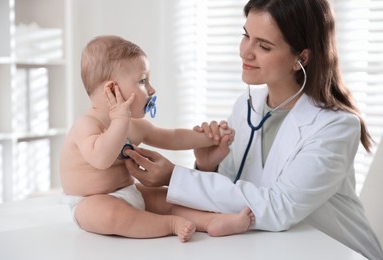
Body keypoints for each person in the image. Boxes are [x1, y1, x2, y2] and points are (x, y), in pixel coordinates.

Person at [124, 0, 383, 259]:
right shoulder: (246, 107)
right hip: (272, 248)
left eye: (264, 45)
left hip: (336, 250)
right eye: (246, 35)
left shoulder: (336, 128)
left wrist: (173, 177)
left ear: (300, 59)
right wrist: (208, 166)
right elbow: (232, 198)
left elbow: (278, 208)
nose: (245, 52)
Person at [59, 35, 255, 243]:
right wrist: (119, 120)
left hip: (128, 191)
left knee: (168, 197)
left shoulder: (133, 125)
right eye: (143, 81)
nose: (151, 89)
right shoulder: (86, 125)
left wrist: (209, 138)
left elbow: (173, 138)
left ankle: (211, 222)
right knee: (111, 215)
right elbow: (101, 158)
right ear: (112, 90)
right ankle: (170, 224)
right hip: (90, 202)